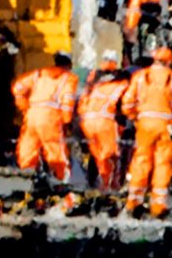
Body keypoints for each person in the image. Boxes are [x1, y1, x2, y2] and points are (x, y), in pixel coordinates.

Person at [120, 46, 172, 218]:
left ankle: (133, 202)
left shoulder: (140, 77)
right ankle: (158, 206)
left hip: (144, 125)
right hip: (165, 126)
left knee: (141, 160)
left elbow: (127, 103)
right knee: (163, 163)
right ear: (169, 61)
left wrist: (135, 117)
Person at [10, 53, 78, 191]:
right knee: (55, 150)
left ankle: (27, 181)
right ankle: (61, 183)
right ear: (69, 64)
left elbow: (17, 87)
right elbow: (67, 100)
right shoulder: (68, 78)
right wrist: (66, 121)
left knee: (27, 149)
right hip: (51, 116)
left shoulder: (38, 74)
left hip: (32, 114)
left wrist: (24, 107)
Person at [78, 51, 130, 191]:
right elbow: (125, 105)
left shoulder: (94, 77)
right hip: (106, 120)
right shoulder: (122, 82)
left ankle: (93, 181)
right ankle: (110, 184)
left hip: (87, 120)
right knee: (111, 155)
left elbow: (84, 97)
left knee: (96, 154)